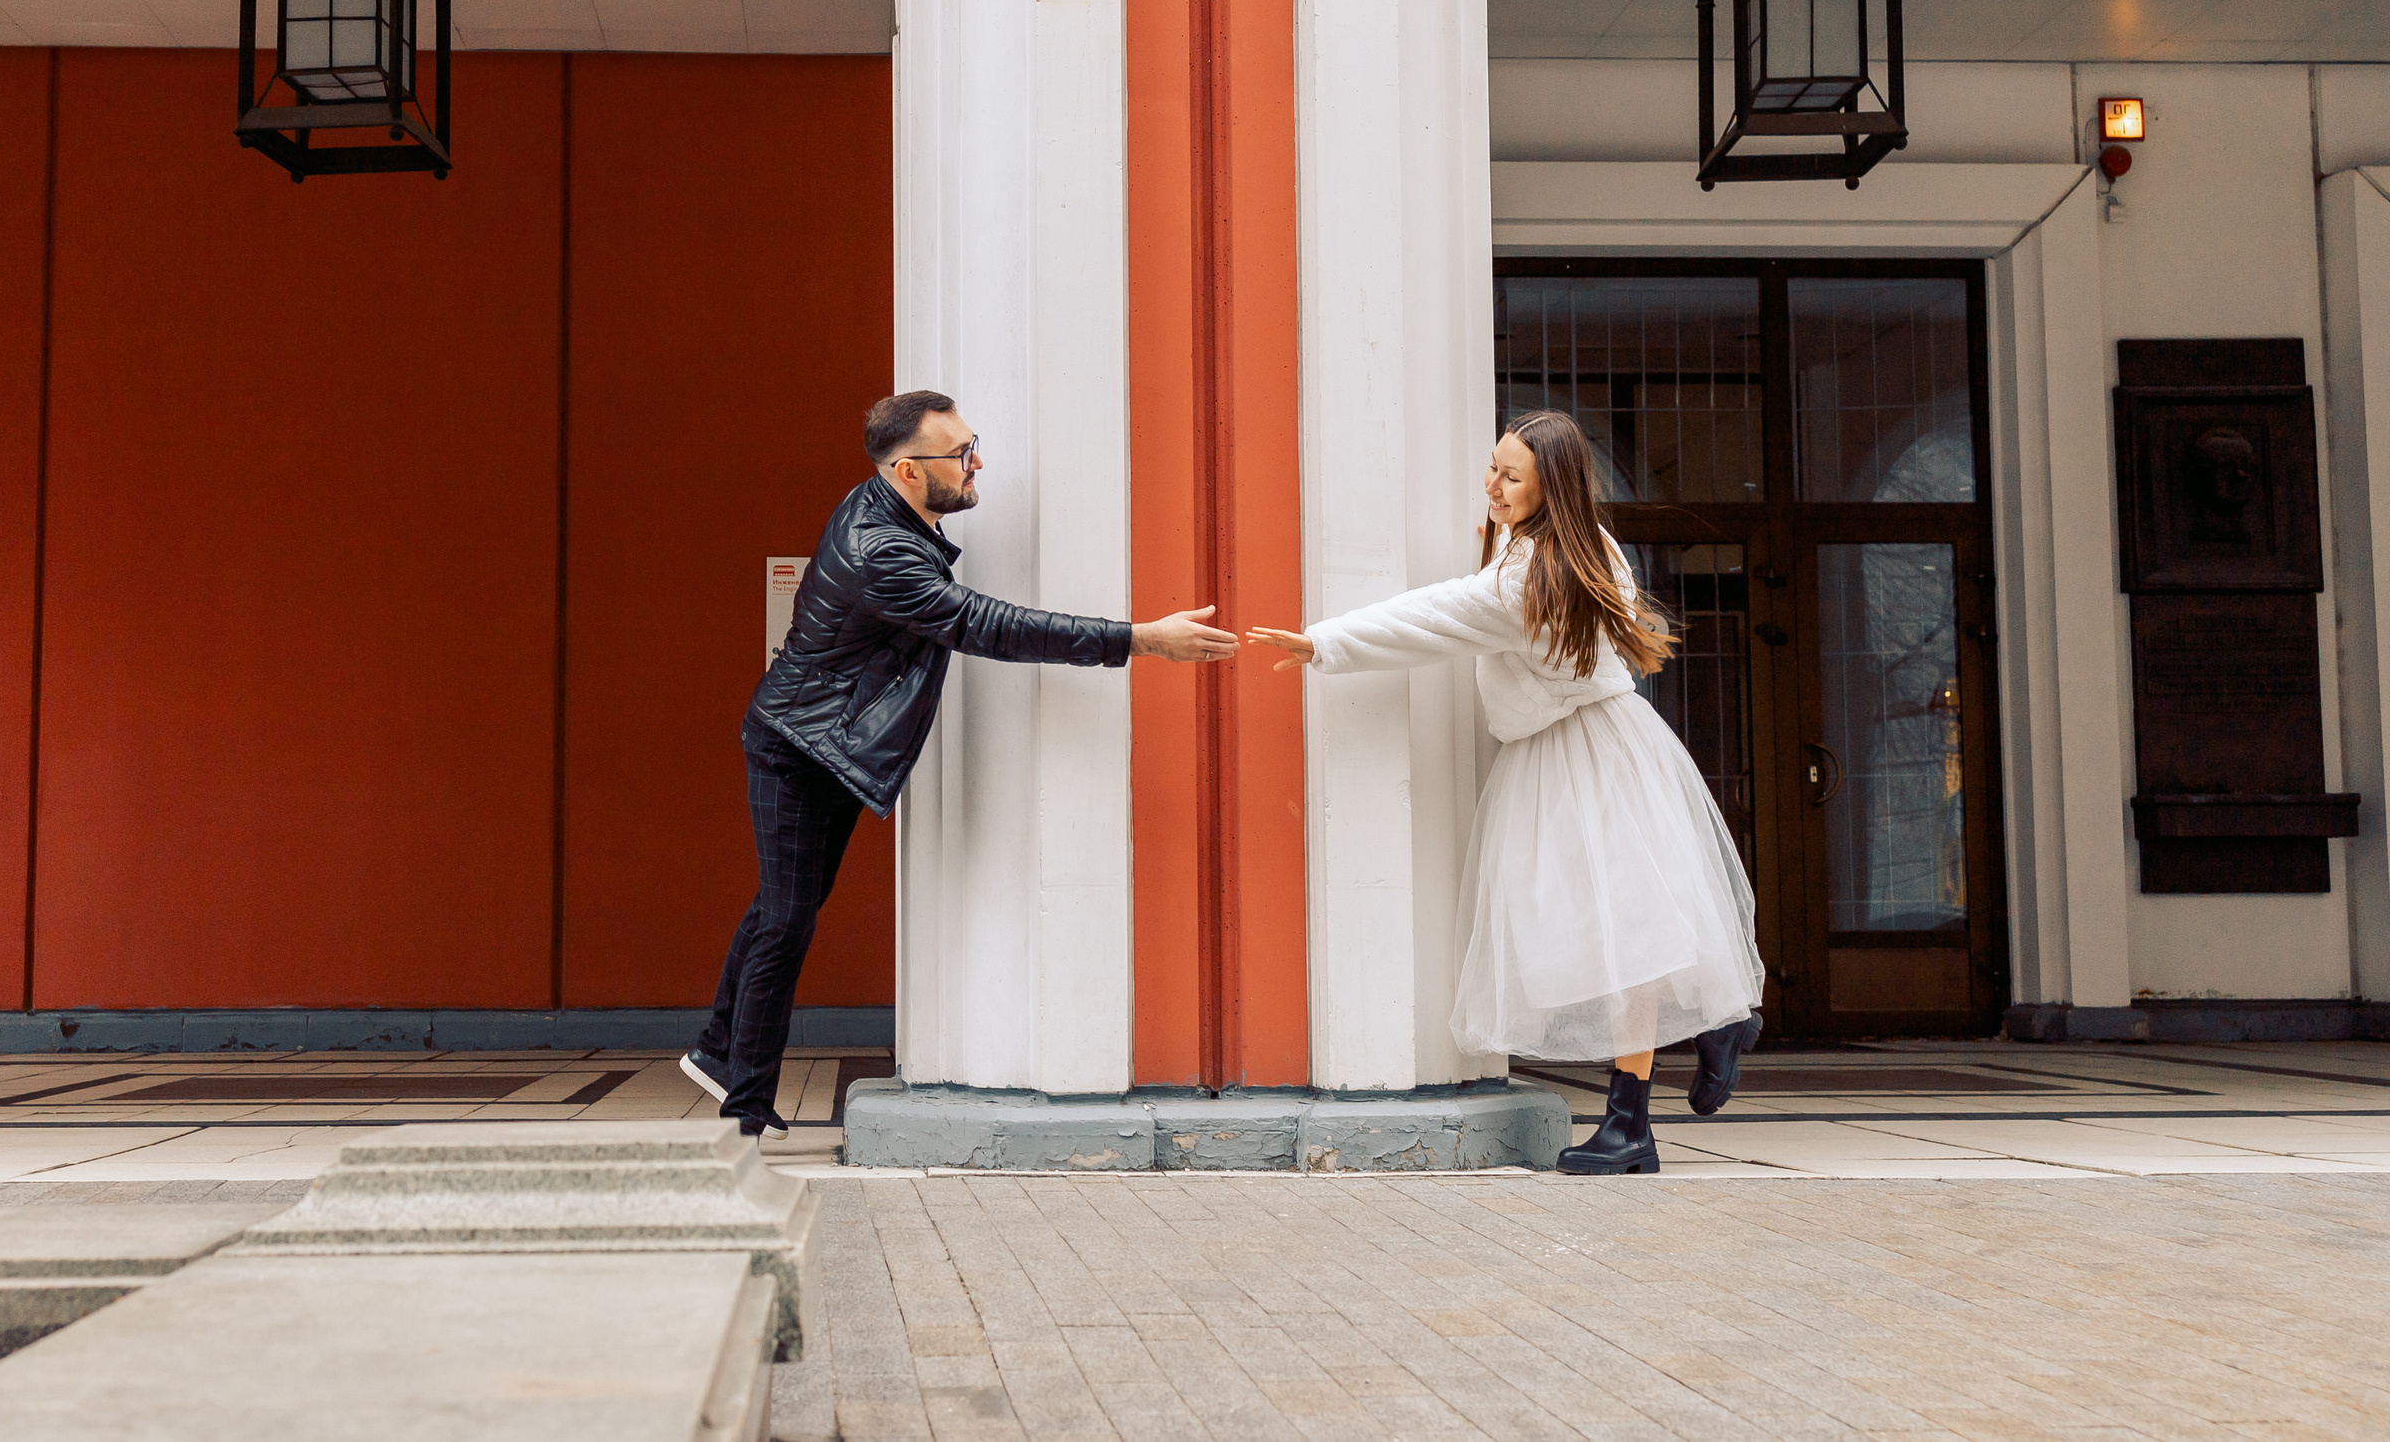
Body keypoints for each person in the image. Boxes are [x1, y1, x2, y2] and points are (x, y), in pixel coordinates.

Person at [681, 390, 1238, 1139]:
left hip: (823, 741)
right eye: (961, 455)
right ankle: (744, 1103)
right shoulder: (883, 555)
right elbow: (988, 625)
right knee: (785, 918)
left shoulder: (889, 507)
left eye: (973, 444)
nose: (979, 464)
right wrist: (1139, 637)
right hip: (798, 747)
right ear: (908, 471)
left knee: (784, 908)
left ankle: (720, 1052)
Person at [1247, 408, 1764, 1176]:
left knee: (1614, 929)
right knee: (1622, 921)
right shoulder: (1587, 548)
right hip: (1608, 741)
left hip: (1578, 755)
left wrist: (1324, 642)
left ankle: (1646, 1107)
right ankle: (1703, 1037)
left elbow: (1431, 615)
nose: (1491, 484)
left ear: (1548, 487)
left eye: (1510, 474)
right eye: (1492, 465)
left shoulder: (1525, 580)